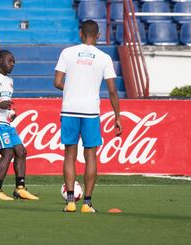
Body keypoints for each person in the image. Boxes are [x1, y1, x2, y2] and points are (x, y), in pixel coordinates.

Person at [54, 20, 122, 212]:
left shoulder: (67, 53)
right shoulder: (104, 57)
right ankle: (87, 203)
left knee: (70, 155)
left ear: (80, 33)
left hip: (69, 109)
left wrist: (72, 86)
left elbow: (57, 82)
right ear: (98, 35)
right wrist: (117, 117)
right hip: (91, 111)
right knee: (90, 156)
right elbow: (112, 91)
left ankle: (69, 202)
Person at [0, 50, 39, 201]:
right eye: (10, 61)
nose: (12, 64)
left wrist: (10, 113)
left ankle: (20, 189)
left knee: (21, 152)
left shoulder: (10, 81)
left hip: (4, 121)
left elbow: (5, 105)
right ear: (0, 60)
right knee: (8, 153)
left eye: (14, 62)